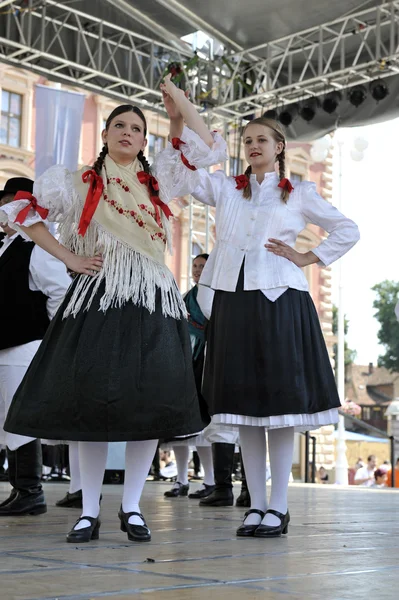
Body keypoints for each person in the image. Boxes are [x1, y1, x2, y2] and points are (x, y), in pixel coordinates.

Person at [0, 75, 227, 544]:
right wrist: (69, 259)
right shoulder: (75, 181)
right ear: (104, 134)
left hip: (151, 302)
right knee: (90, 407)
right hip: (97, 300)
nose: (128, 133)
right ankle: (88, 510)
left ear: (146, 140)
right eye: (119, 125)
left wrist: (178, 104)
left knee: (147, 407)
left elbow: (208, 147)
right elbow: (22, 213)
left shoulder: (160, 179)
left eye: (137, 129)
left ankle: (130, 507)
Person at [183, 116, 360, 538]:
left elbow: (347, 229)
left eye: (262, 139)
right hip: (233, 298)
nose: (253, 146)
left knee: (280, 409)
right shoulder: (226, 188)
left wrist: (307, 257)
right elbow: (185, 177)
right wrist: (183, 120)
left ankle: (277, 505)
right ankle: (256, 505)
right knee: (242, 408)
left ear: (280, 146)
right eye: (247, 140)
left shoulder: (299, 193)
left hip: (281, 300)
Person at [0, 177, 71, 516]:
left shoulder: (36, 248)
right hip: (8, 343)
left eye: (6, 204)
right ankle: (21, 488)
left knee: (19, 417)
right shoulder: (7, 245)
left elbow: (60, 291)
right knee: (6, 418)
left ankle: (30, 490)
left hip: (25, 343)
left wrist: (50, 336)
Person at [164, 254, 216, 500]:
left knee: (203, 425)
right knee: (179, 426)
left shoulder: (215, 295)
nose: (197, 270)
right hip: (184, 363)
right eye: (194, 266)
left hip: (205, 363)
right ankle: (181, 479)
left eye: (202, 266)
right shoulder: (186, 296)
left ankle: (210, 480)